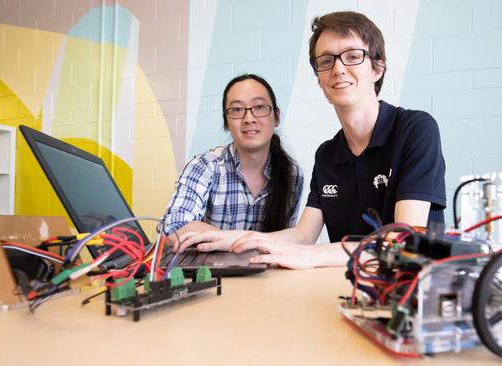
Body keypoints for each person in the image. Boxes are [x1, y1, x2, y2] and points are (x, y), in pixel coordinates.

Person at [174, 11, 446, 269]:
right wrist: (234, 239)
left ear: (378, 69)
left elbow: (402, 240)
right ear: (319, 79)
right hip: (347, 292)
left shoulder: (416, 129)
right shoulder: (327, 154)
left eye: (352, 56)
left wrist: (313, 256)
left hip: (410, 292)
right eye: (326, 61)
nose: (338, 69)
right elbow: (304, 235)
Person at [162, 74, 304, 241]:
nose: (249, 119)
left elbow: (288, 240)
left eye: (259, 107)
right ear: (226, 123)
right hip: (210, 266)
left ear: (276, 117)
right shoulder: (204, 166)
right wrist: (237, 241)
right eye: (237, 110)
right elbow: (174, 226)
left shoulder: (292, 175)